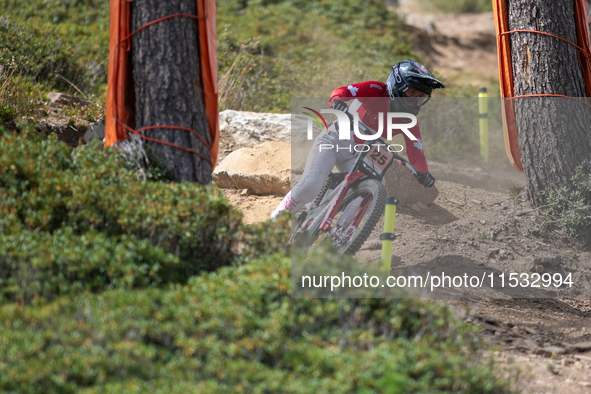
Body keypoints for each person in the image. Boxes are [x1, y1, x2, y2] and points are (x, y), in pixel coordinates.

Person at [271, 59, 445, 220]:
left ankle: (340, 238)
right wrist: (338, 102)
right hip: (335, 140)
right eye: (411, 92)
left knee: (371, 190)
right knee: (310, 185)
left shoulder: (410, 121)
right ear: (397, 85)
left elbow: (417, 155)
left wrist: (424, 175)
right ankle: (273, 223)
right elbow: (341, 92)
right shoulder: (376, 90)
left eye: (420, 97)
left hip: (360, 156)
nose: (414, 101)